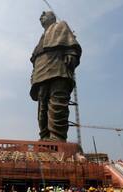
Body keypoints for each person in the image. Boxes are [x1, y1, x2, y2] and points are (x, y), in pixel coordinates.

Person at [30, 11, 82, 142]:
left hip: (58, 68)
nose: (41, 15)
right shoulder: (41, 38)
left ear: (52, 17)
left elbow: (71, 45)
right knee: (42, 108)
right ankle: (44, 136)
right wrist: (33, 75)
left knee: (57, 104)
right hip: (41, 73)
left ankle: (57, 137)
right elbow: (35, 58)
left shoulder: (61, 26)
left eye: (44, 14)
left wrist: (71, 53)